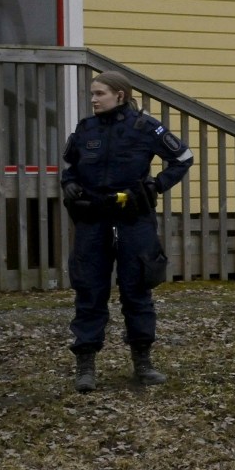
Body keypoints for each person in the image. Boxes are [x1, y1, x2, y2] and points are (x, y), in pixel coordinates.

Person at [61, 71, 193, 391]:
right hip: (94, 219)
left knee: (137, 290)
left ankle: (143, 363)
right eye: (92, 93)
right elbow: (70, 168)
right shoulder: (85, 129)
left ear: (120, 95)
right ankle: (86, 367)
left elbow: (183, 158)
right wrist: (71, 186)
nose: (93, 99)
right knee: (90, 290)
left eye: (100, 93)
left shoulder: (145, 127)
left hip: (134, 219)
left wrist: (156, 186)